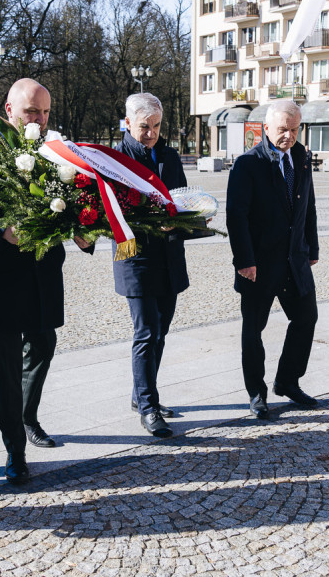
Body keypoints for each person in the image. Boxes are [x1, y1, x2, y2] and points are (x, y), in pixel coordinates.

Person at [0, 78, 93, 485]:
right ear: (9, 110)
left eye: (46, 112)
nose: (40, 119)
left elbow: (72, 202)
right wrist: (2, 230)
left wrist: (84, 231)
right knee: (6, 367)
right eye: (32, 111)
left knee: (44, 346)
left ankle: (27, 415)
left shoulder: (55, 150)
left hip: (43, 272)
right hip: (1, 276)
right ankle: (14, 446)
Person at [225, 99, 320, 420]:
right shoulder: (248, 164)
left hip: (295, 260)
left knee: (306, 318)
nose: (288, 136)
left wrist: (312, 250)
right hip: (259, 265)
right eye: (282, 130)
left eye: (294, 130)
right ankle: (256, 394)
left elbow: (308, 206)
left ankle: (288, 381)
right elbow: (236, 216)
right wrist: (244, 261)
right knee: (253, 331)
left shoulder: (302, 157)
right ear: (266, 128)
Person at [113, 93, 189, 439]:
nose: (151, 134)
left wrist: (187, 217)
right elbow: (107, 210)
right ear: (128, 123)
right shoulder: (114, 159)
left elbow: (182, 198)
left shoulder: (169, 155)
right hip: (135, 256)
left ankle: (140, 395)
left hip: (168, 259)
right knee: (145, 331)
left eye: (157, 126)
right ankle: (148, 406)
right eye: (144, 127)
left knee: (161, 332)